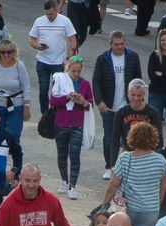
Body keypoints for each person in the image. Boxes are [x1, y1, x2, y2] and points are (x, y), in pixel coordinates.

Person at [105, 120, 166, 226]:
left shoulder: (125, 157)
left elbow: (113, 184)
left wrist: (104, 204)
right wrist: (156, 203)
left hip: (128, 208)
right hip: (150, 210)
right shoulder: (161, 160)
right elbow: (163, 187)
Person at [92, 32, 141, 176]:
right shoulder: (102, 59)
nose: (119, 47)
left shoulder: (132, 57)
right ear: (110, 44)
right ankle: (110, 166)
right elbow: (96, 80)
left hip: (127, 106)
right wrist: (99, 100)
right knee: (109, 138)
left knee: (129, 138)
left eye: (122, 44)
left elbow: (138, 79)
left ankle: (127, 168)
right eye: (116, 44)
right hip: (108, 106)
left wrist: (139, 101)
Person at [47, 57, 94, 199]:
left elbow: (90, 103)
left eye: (79, 71)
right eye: (73, 71)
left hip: (76, 124)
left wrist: (83, 102)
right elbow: (53, 100)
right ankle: (64, 180)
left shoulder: (85, 84)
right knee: (62, 154)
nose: (76, 74)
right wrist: (67, 97)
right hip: (60, 123)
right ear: (67, 69)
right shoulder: (60, 80)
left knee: (75, 155)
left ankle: (73, 186)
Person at [28, 1, 76, 92]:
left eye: (51, 14)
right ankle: (44, 107)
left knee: (57, 90)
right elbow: (32, 40)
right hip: (42, 61)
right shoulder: (39, 21)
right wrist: (38, 46)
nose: (49, 17)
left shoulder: (65, 21)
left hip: (59, 62)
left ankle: (55, 106)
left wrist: (69, 58)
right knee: (43, 89)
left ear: (56, 10)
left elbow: (73, 40)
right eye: (47, 14)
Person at [110, 80, 164, 160]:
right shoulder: (121, 113)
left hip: (148, 155)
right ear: (128, 93)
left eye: (139, 95)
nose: (135, 98)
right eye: (133, 95)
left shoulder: (153, 113)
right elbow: (115, 140)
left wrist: (155, 160)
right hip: (127, 155)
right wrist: (113, 165)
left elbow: (159, 140)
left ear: (143, 95)